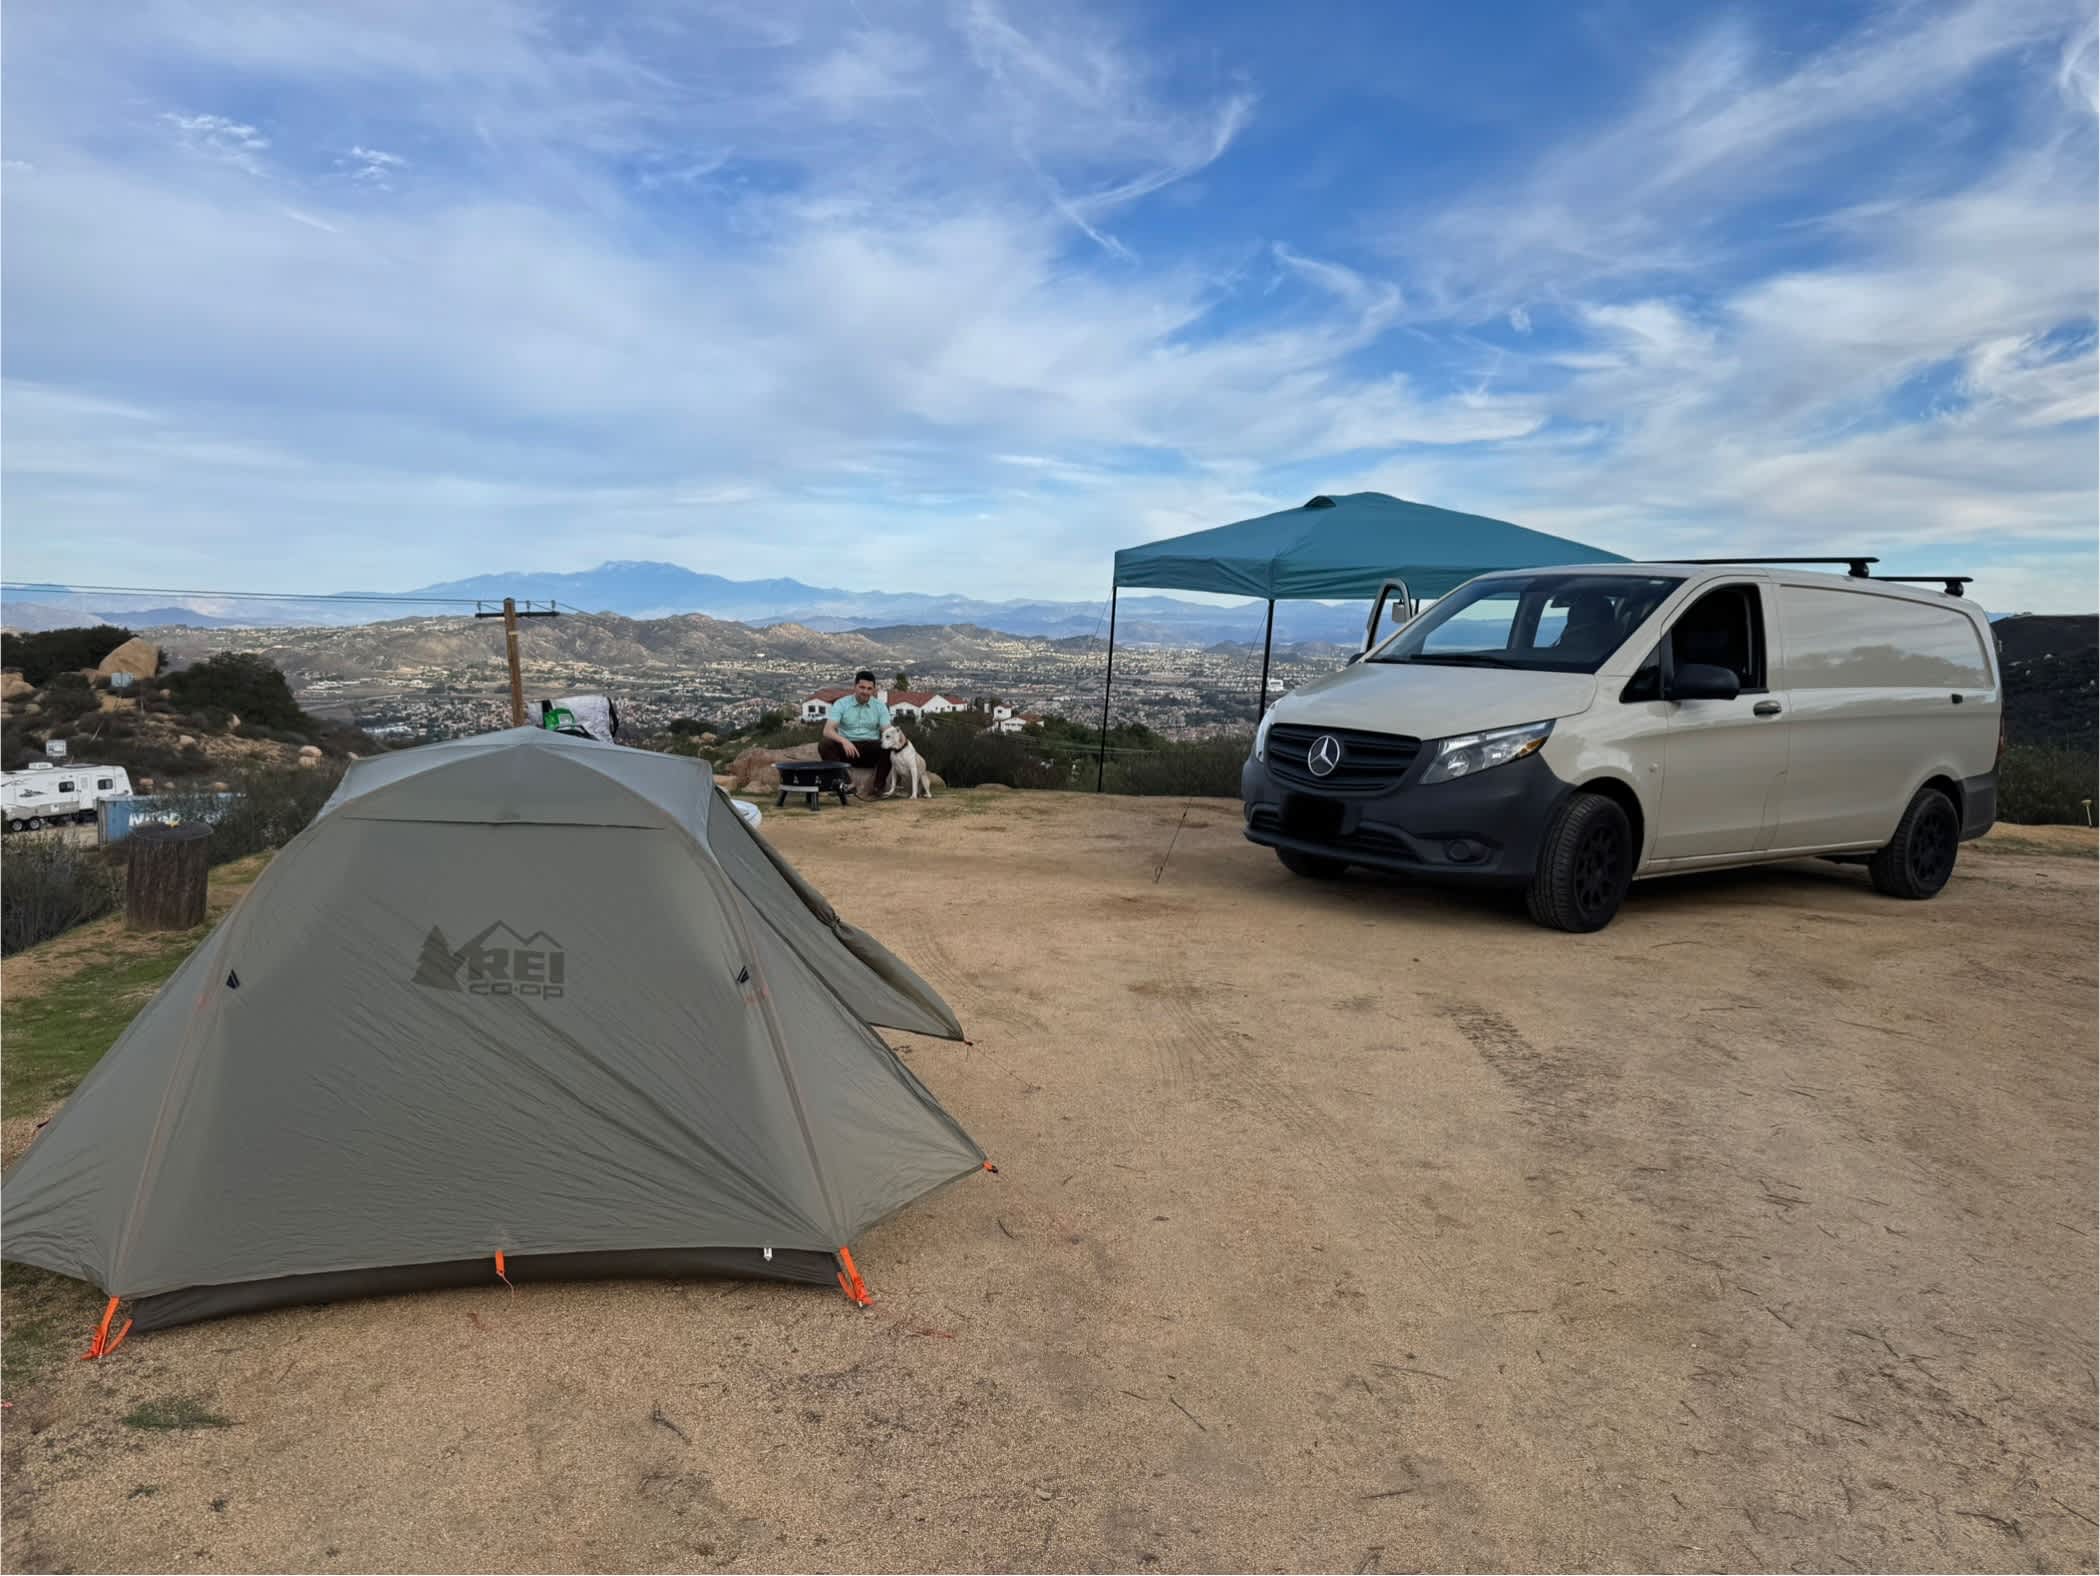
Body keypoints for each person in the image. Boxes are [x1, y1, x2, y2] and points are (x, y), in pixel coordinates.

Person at [820, 671, 893, 797]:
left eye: (869, 689)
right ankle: (847, 784)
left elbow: (887, 730)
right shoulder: (841, 703)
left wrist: (896, 737)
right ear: (855, 687)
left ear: (873, 690)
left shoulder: (880, 706)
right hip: (847, 750)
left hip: (871, 750)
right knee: (825, 744)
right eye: (862, 687)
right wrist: (844, 741)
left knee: (889, 746)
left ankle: (878, 787)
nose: (865, 692)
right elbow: (827, 730)